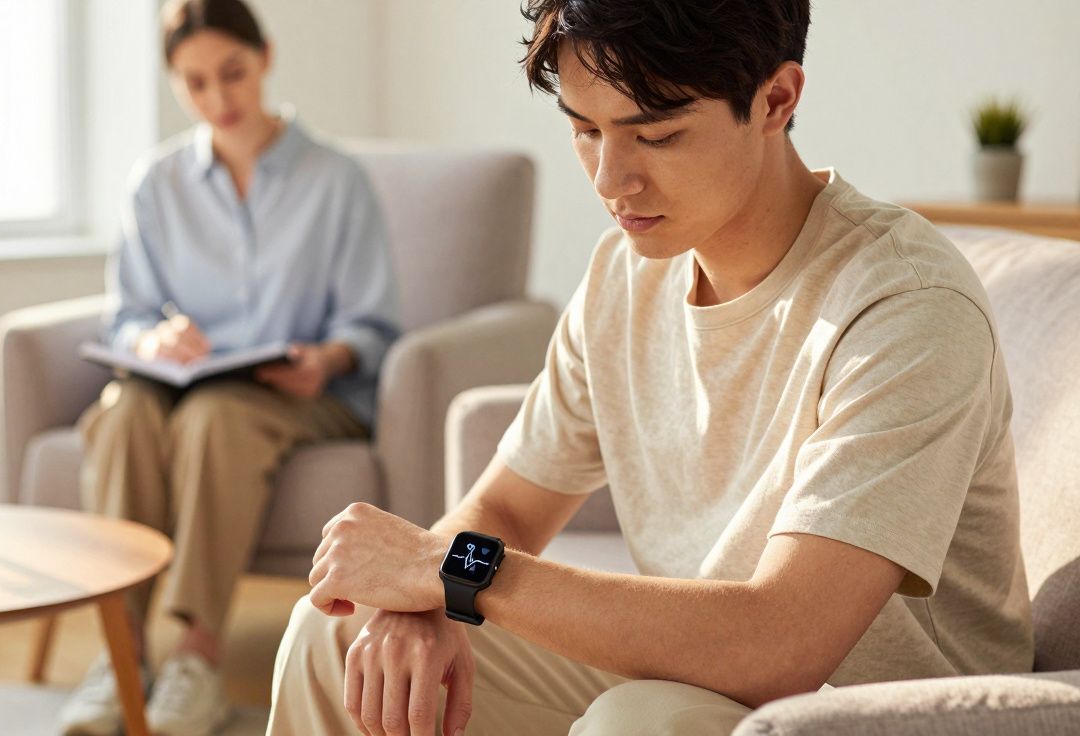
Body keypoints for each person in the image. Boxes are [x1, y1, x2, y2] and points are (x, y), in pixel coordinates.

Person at [265, 1, 1034, 734]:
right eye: (585, 130)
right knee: (337, 640)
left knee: (640, 722)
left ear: (775, 99)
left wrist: (449, 569)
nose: (610, 181)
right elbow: (502, 512)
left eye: (655, 136)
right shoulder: (625, 277)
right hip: (693, 683)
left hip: (875, 710)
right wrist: (417, 601)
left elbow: (782, 644)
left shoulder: (905, 305)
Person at [58, 0, 399, 734]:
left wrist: (327, 357)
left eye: (233, 74)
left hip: (307, 394)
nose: (218, 99)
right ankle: (120, 658)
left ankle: (195, 658)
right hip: (179, 391)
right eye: (196, 83)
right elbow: (129, 314)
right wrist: (155, 341)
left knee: (218, 416)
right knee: (121, 414)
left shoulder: (335, 180)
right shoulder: (156, 183)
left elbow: (371, 326)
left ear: (266, 57)